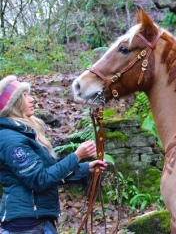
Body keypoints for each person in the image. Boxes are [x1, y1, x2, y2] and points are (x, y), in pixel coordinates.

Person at [0, 75, 107, 234]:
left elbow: (50, 173)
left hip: (37, 221)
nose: (31, 100)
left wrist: (85, 168)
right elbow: (39, 180)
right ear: (14, 105)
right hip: (25, 226)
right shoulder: (10, 139)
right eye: (24, 96)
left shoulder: (23, 134)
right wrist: (76, 156)